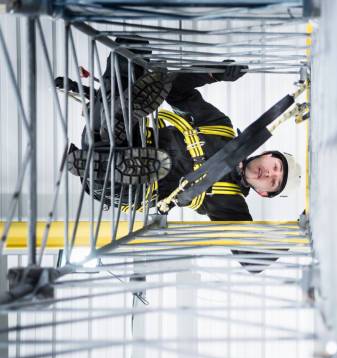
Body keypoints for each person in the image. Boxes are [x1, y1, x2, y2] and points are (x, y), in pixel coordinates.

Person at [57, 40, 302, 224]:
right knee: (134, 49)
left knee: (108, 128)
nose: (269, 173)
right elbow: (178, 93)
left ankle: (103, 154)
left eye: (273, 182)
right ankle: (116, 118)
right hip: (130, 140)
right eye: (276, 168)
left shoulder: (229, 203)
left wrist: (300, 232)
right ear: (269, 154)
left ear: (262, 192)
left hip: (131, 186)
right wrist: (212, 73)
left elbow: (251, 257)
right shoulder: (220, 127)